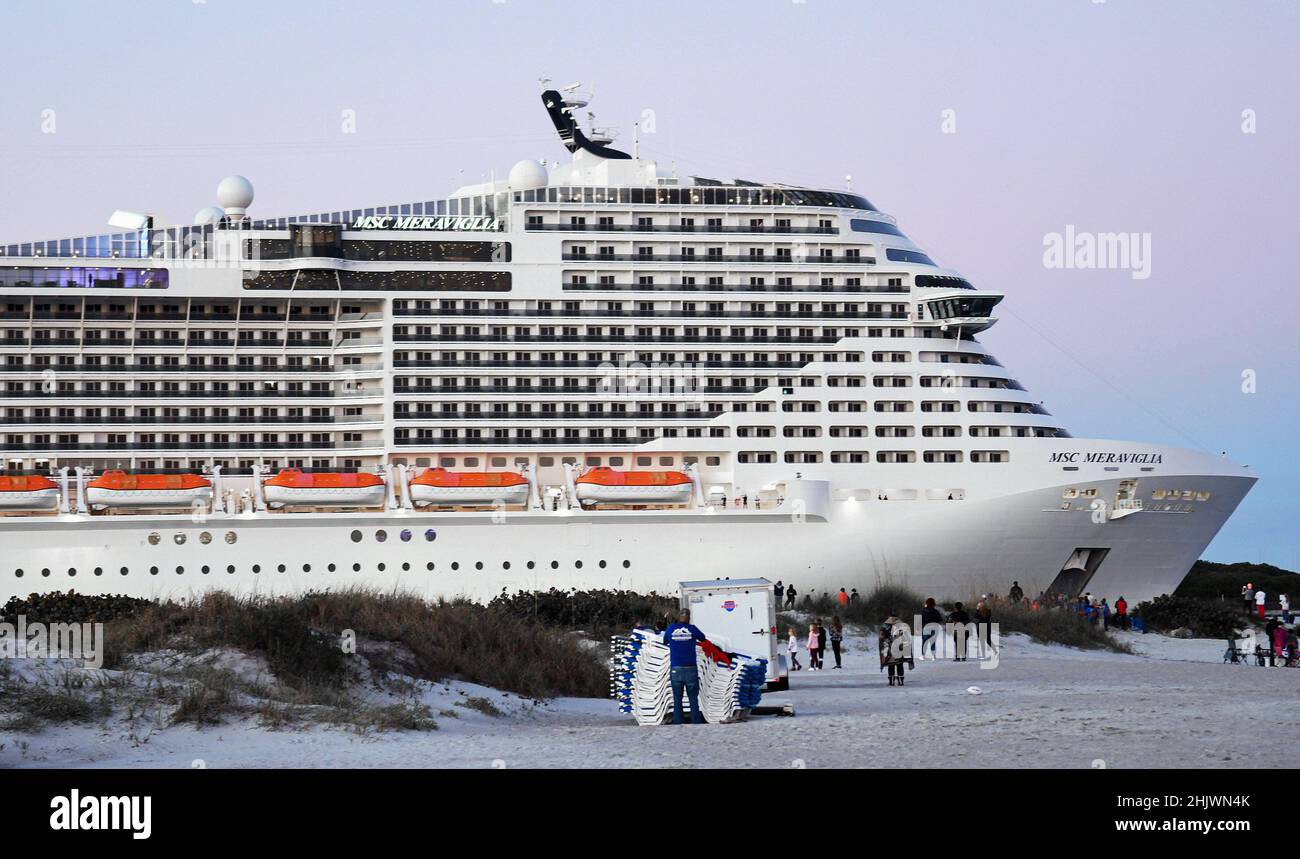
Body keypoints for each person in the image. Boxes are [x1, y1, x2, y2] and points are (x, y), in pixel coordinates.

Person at [662, 609, 709, 725]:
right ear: (688, 618)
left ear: (679, 617)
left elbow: (664, 641)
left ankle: (678, 722)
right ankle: (696, 722)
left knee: (677, 699)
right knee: (693, 699)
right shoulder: (692, 629)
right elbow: (703, 638)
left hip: (676, 669)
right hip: (691, 669)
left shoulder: (671, 628)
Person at [879, 610, 913, 686]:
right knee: (900, 665)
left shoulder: (885, 625)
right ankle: (901, 681)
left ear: (889, 616)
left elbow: (881, 638)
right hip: (900, 648)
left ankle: (891, 681)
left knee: (891, 665)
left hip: (889, 648)